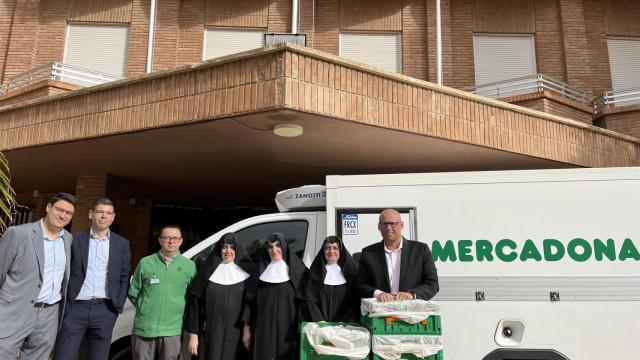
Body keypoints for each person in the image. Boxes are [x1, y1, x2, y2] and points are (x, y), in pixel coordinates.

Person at [54, 198, 131, 360]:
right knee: (63, 356)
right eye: (100, 212)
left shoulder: (122, 244)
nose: (104, 216)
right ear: (91, 214)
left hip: (105, 310)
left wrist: (117, 306)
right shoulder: (74, 240)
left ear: (113, 217)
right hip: (75, 308)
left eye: (108, 213)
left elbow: (124, 276)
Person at [0, 193, 75, 359]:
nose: (63, 215)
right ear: (48, 208)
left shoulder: (68, 239)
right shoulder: (18, 234)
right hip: (14, 311)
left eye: (68, 213)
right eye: (59, 210)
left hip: (49, 314)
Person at [128, 225, 196, 360]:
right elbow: (133, 292)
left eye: (175, 238)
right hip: (144, 327)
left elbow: (192, 297)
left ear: (181, 241)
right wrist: (146, 308)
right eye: (167, 238)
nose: (171, 241)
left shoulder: (189, 266)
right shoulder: (146, 262)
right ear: (160, 240)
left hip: (173, 329)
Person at [186, 232, 256, 360]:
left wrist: (247, 329)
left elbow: (250, 305)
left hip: (237, 333)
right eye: (224, 247)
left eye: (232, 247)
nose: (228, 251)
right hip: (210, 332)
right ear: (219, 249)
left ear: (238, 249)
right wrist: (193, 334)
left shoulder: (249, 273)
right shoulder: (206, 272)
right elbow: (194, 305)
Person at [246, 233, 307, 360]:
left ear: (284, 246)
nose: (274, 250)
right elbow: (249, 303)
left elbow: (306, 303)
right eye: (270, 247)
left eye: (278, 245)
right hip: (263, 329)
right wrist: (246, 329)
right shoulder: (258, 272)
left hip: (289, 331)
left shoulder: (299, 271)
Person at [357, 209, 439, 302]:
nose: (388, 227)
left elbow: (432, 284)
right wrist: (378, 294)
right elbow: (360, 285)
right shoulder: (368, 253)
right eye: (385, 224)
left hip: (411, 312)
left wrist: (411, 294)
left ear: (401, 225)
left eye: (392, 223)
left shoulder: (421, 250)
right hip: (380, 312)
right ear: (379, 227)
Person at [301, 236, 359, 322]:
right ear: (323, 251)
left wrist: (345, 322)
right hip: (320, 326)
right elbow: (309, 301)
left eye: (335, 248)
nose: (331, 251)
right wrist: (320, 322)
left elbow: (356, 301)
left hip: (345, 326)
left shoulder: (352, 274)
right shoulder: (315, 273)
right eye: (328, 248)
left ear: (341, 251)